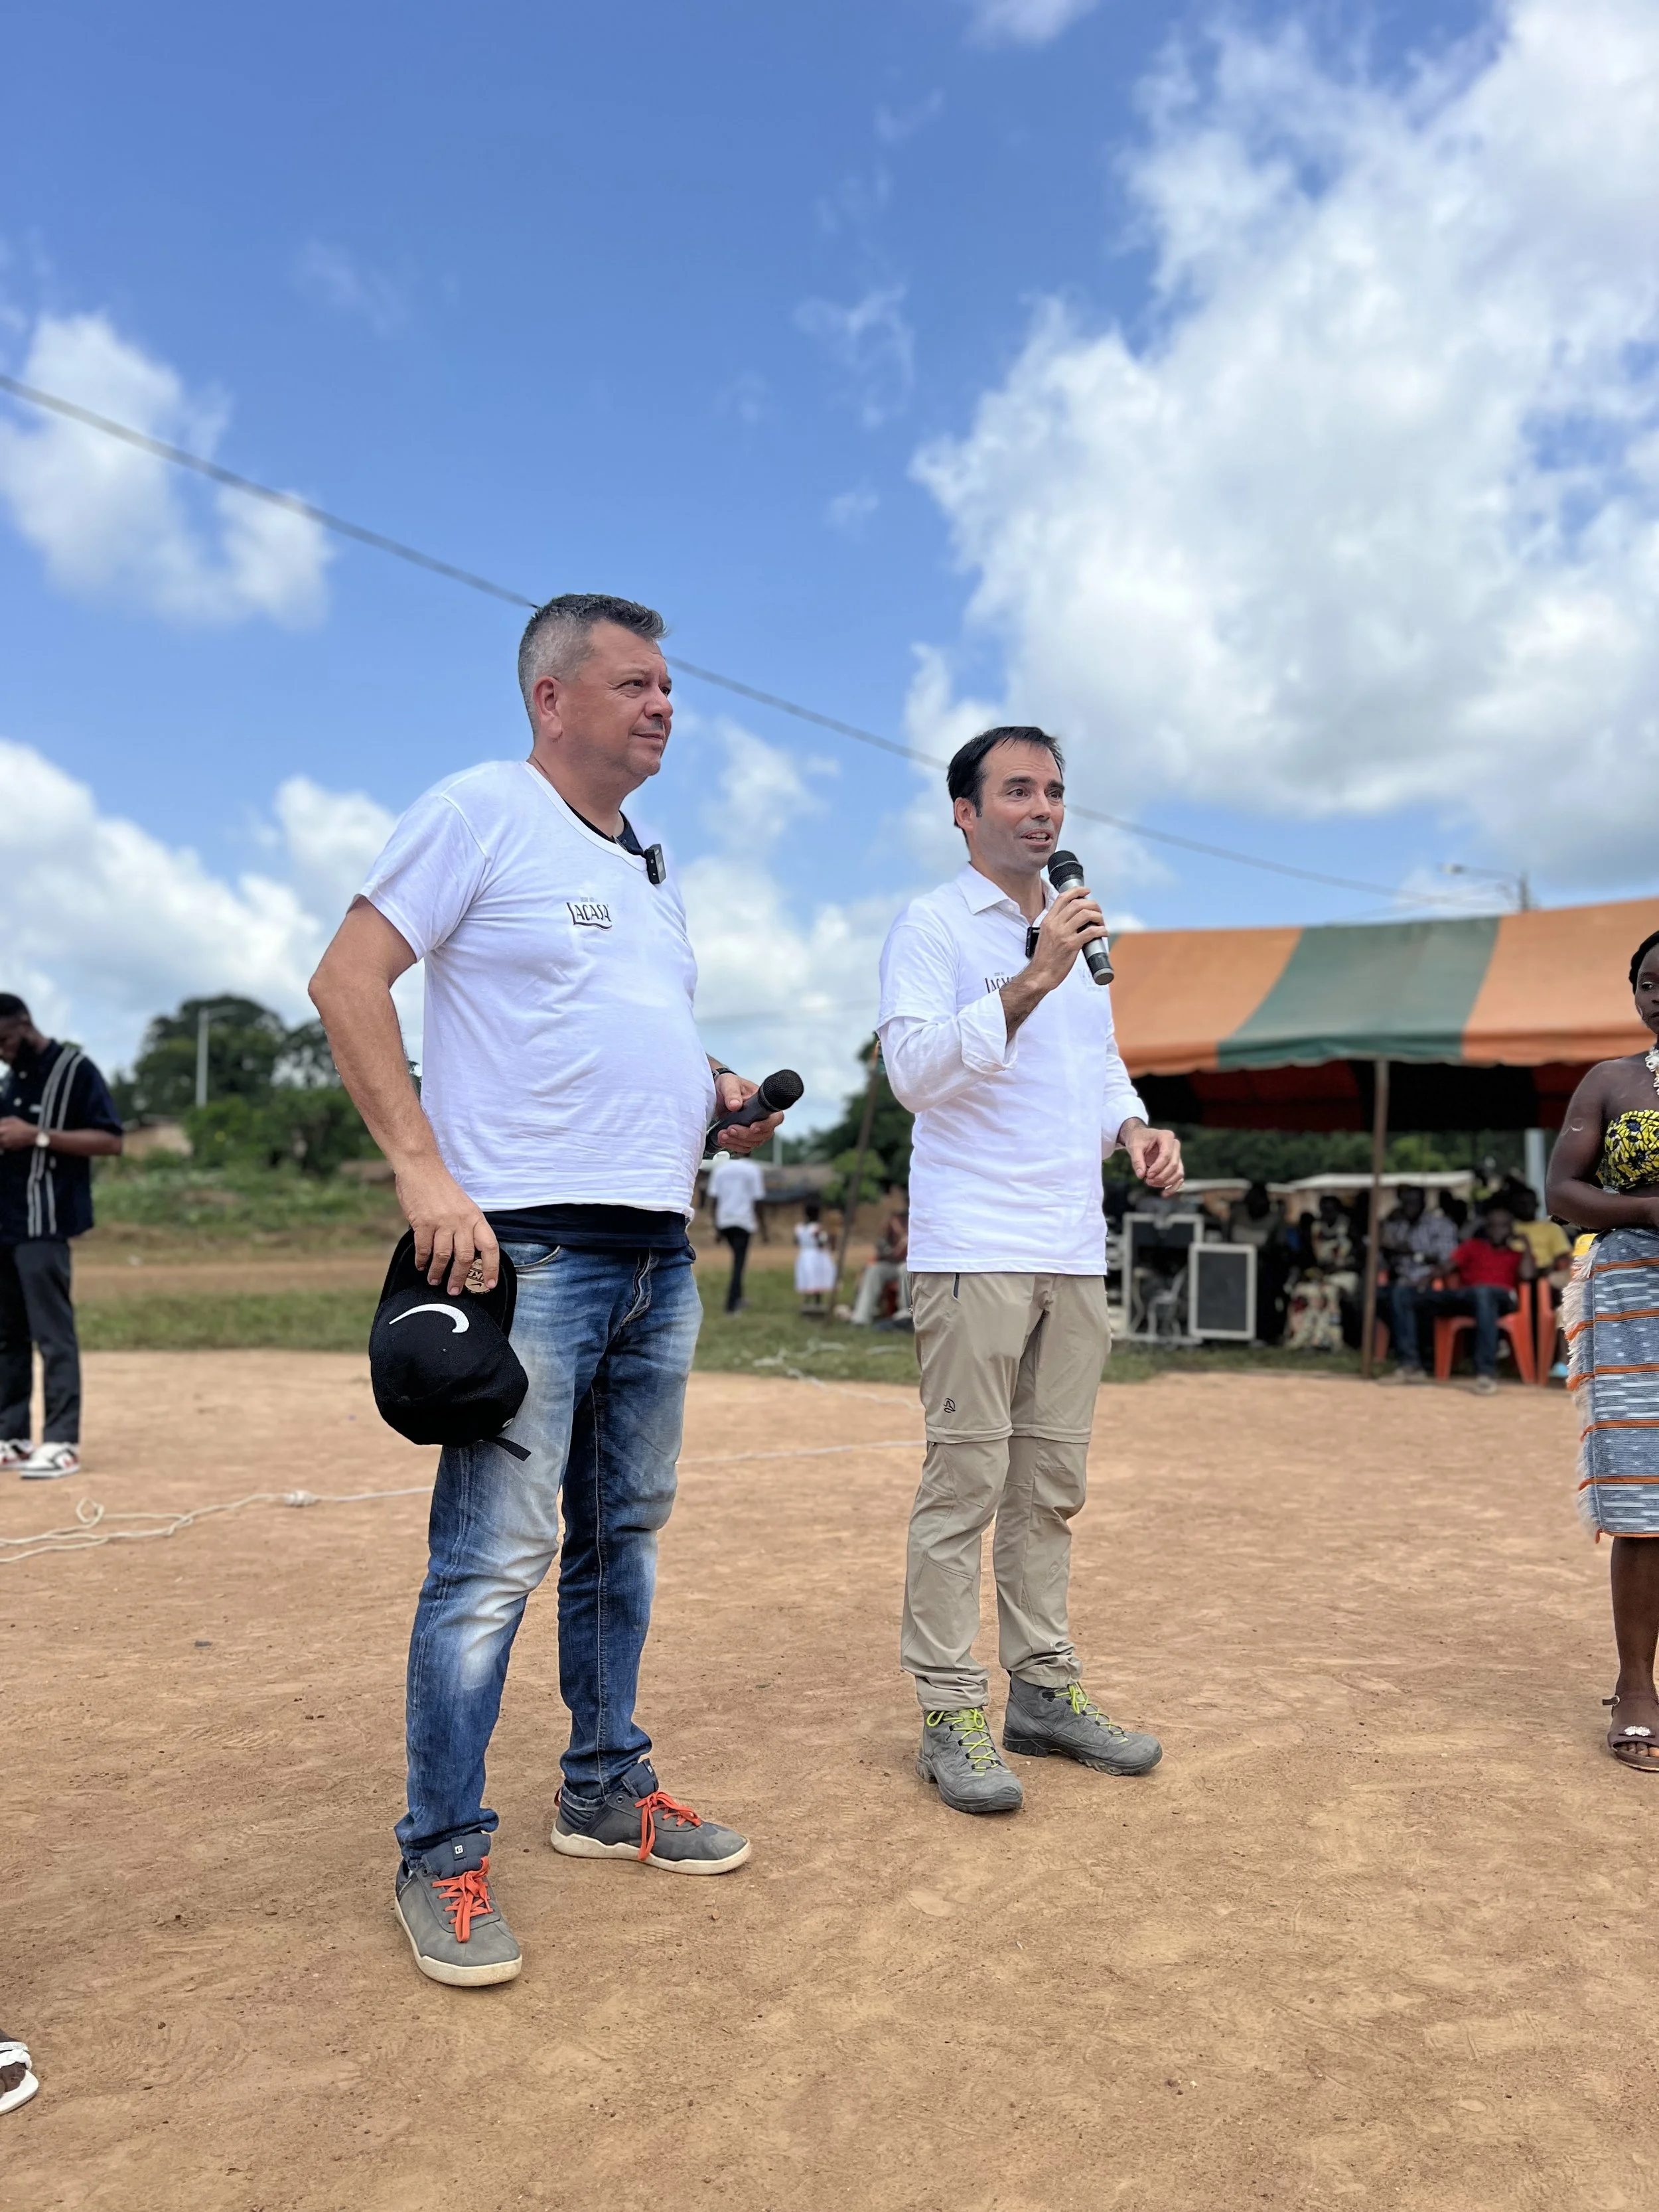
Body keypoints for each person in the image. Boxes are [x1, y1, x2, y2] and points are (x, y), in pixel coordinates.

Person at [309, 593, 786, 1987]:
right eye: (634, 682)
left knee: (619, 1535)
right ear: (550, 698)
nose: (663, 706)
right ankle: (442, 1852)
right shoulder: (477, 812)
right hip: (529, 1257)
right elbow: (348, 981)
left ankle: (599, 1785)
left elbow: (614, 1037)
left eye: (668, 687)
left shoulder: (648, 863)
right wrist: (421, 1173)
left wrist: (712, 1096)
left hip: (653, 1254)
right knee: (488, 1565)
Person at [877, 724, 1183, 1817]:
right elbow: (912, 1070)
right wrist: (1033, 972)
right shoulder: (933, 924)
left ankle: (1043, 1693)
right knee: (965, 1481)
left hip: (1071, 1247)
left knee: (1050, 1487)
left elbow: (1097, 1063)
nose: (1043, 808)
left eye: (1054, 790)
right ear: (965, 811)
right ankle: (950, 1708)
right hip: (974, 1249)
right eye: (1017, 790)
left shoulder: (1081, 933)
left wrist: (1136, 1127)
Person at [1546, 928, 1659, 1771]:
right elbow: (1562, 1191)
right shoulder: (1611, 1081)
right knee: (1643, 1499)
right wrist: (1647, 1211)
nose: (1657, 996)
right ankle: (1635, 1687)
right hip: (1632, 1301)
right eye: (1647, 984)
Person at [0, 996, 124, 1479]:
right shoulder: (10, 1079)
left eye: (6, 1040)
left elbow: (111, 1139)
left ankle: (61, 1441)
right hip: (6, 1226)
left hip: (44, 1227)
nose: (3, 1053)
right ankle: (11, 1435)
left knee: (53, 1336)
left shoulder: (76, 1069)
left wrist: (39, 1135)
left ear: (26, 1026)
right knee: (8, 1337)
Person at [1388, 1203, 1534, 1393]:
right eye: (1492, 1225)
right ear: (1486, 1228)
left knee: (1484, 1293)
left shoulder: (1517, 1254)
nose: (1497, 1230)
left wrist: (1527, 1244)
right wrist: (1426, 1279)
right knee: (1404, 1294)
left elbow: (1528, 1275)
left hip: (1502, 1298)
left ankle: (1486, 1373)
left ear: (1511, 1229)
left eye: (1503, 1226)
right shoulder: (1472, 1246)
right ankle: (1410, 1366)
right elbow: (1446, 1267)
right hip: (1468, 1297)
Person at [1378, 1185, 1459, 1375]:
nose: (1409, 1206)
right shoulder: (1397, 1226)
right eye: (1405, 1202)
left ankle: (1410, 1362)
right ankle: (1390, 1353)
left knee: (1401, 1296)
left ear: (1423, 1202)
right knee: (1375, 1297)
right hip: (1400, 1280)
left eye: (1414, 1201)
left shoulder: (1440, 1225)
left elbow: (1448, 1259)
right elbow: (1383, 1254)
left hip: (1432, 1283)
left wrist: (1415, 1255)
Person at [1284, 1194, 1358, 1354]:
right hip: (1321, 1275)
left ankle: (1327, 1340)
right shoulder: (1315, 1228)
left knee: (1328, 1293)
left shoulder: (1349, 1227)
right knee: (1303, 1293)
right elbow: (1307, 1258)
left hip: (1345, 1274)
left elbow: (1360, 1258)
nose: (1327, 1214)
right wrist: (1311, 1272)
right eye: (1324, 1210)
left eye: (1331, 1210)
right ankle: (1301, 1338)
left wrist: (1340, 1267)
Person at [705, 1149, 767, 1315]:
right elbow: (758, 1201)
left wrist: (717, 1228)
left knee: (737, 1260)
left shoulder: (720, 1169)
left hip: (725, 1222)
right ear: (750, 1152)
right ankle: (732, 1305)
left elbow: (714, 1200)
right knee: (739, 1263)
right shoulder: (752, 1170)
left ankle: (738, 1298)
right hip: (743, 1222)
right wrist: (763, 1229)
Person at [849, 1189, 910, 1325]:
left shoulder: (924, 1221)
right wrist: (890, 1254)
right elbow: (882, 1246)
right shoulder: (894, 1221)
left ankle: (906, 1313)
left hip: (913, 1266)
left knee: (904, 1269)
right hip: (892, 1262)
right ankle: (861, 1317)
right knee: (874, 1270)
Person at [794, 1197, 835, 1315]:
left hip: (804, 1255)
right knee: (818, 1280)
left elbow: (796, 1242)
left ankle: (807, 1302)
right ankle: (817, 1303)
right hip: (817, 1256)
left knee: (807, 1280)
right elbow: (821, 1242)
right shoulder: (817, 1229)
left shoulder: (799, 1228)